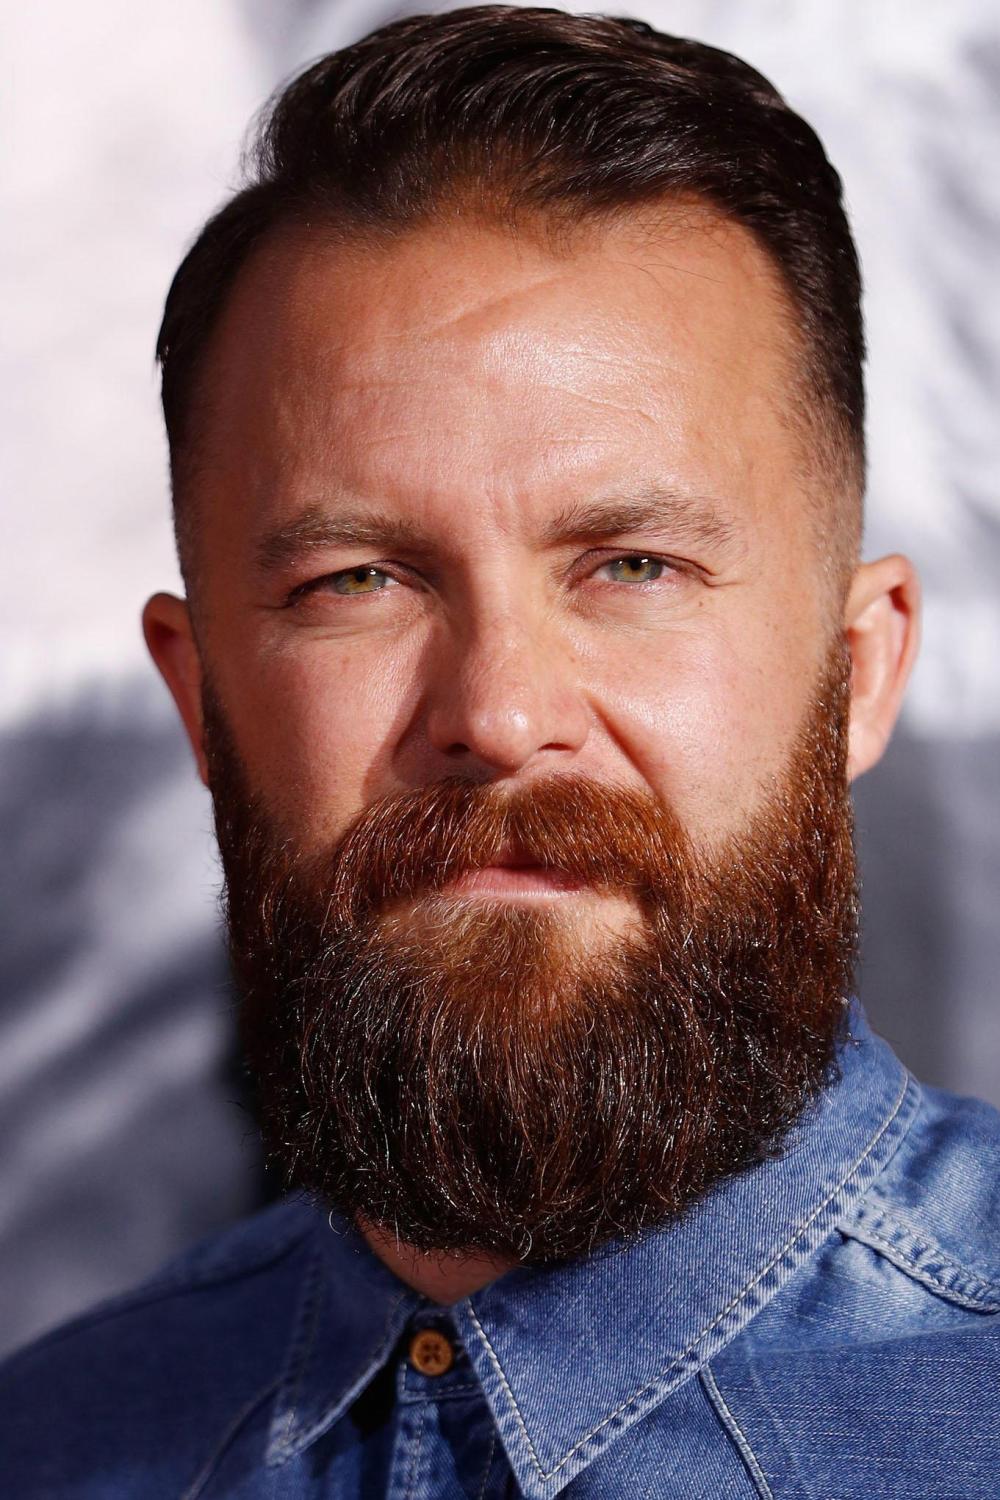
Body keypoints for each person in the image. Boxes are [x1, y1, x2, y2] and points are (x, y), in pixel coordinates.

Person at [3, 5, 998, 1495]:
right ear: (201, 701)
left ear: (859, 671)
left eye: (635, 566)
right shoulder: (48, 1445)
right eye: (357, 581)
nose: (501, 712)